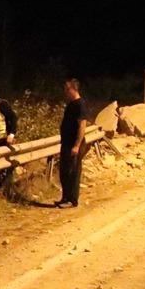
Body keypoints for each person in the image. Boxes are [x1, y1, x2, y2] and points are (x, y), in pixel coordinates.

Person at [56, 78, 89, 208]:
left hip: (74, 144)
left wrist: (77, 145)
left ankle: (72, 200)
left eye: (66, 89)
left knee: (73, 172)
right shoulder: (71, 104)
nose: (64, 92)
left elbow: (82, 126)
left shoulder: (80, 105)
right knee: (64, 172)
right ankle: (65, 198)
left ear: (72, 89)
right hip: (66, 143)